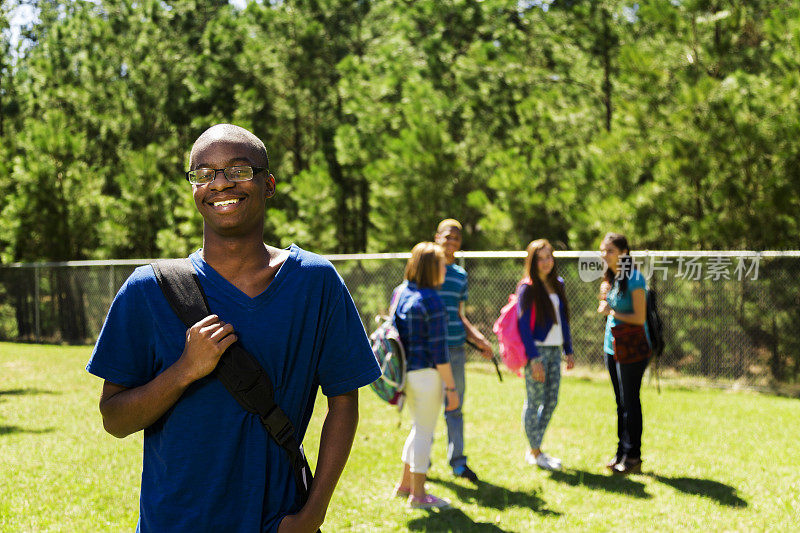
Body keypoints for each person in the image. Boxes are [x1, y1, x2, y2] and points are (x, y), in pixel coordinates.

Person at [86, 124, 381, 532]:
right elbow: (114, 420)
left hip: (275, 520)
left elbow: (344, 401)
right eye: (203, 174)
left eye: (238, 171)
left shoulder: (315, 282)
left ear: (268, 184)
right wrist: (184, 370)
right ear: (194, 190)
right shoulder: (147, 289)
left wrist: (313, 514)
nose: (220, 184)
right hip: (173, 521)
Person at [392, 242, 460, 509]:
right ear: (432, 267)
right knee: (424, 432)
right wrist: (452, 389)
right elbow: (440, 353)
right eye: (442, 264)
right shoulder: (433, 301)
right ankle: (419, 496)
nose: (446, 268)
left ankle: (404, 484)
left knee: (417, 428)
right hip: (427, 376)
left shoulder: (401, 293)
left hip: (406, 374)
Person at [433, 219, 493, 483]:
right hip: (428, 351)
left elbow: (459, 315)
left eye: (456, 238)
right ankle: (418, 464)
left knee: (454, 407)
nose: (452, 242)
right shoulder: (426, 268)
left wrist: (479, 339)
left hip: (456, 350)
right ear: (437, 238)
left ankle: (458, 463)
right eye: (447, 237)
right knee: (425, 410)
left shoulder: (460, 275)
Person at [517, 239, 575, 471]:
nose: (546, 262)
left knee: (551, 401)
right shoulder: (527, 287)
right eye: (540, 258)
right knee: (534, 401)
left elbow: (564, 320)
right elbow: (523, 326)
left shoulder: (558, 284)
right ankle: (536, 451)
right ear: (532, 261)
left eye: (549, 257)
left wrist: (568, 350)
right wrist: (533, 358)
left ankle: (535, 448)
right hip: (537, 352)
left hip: (555, 350)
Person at [597, 232, 650, 475]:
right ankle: (621, 452)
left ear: (624, 253)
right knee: (620, 403)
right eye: (603, 250)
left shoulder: (635, 278)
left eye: (609, 250)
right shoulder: (613, 278)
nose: (604, 255)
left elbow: (639, 318)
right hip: (613, 347)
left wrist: (611, 311)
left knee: (630, 402)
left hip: (632, 348)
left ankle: (633, 457)